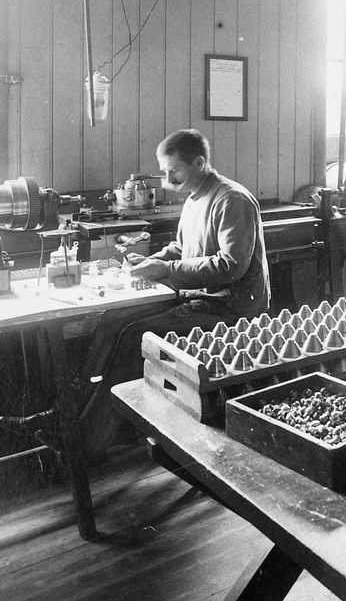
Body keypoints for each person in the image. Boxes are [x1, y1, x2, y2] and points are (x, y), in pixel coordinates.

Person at [81, 129, 270, 456]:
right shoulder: (196, 197)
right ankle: (80, 415)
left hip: (230, 309)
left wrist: (166, 271)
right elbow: (182, 249)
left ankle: (91, 440)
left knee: (134, 336)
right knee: (113, 320)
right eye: (164, 171)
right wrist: (152, 261)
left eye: (174, 172)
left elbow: (231, 266)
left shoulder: (230, 200)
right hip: (201, 299)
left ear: (199, 162)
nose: (167, 179)